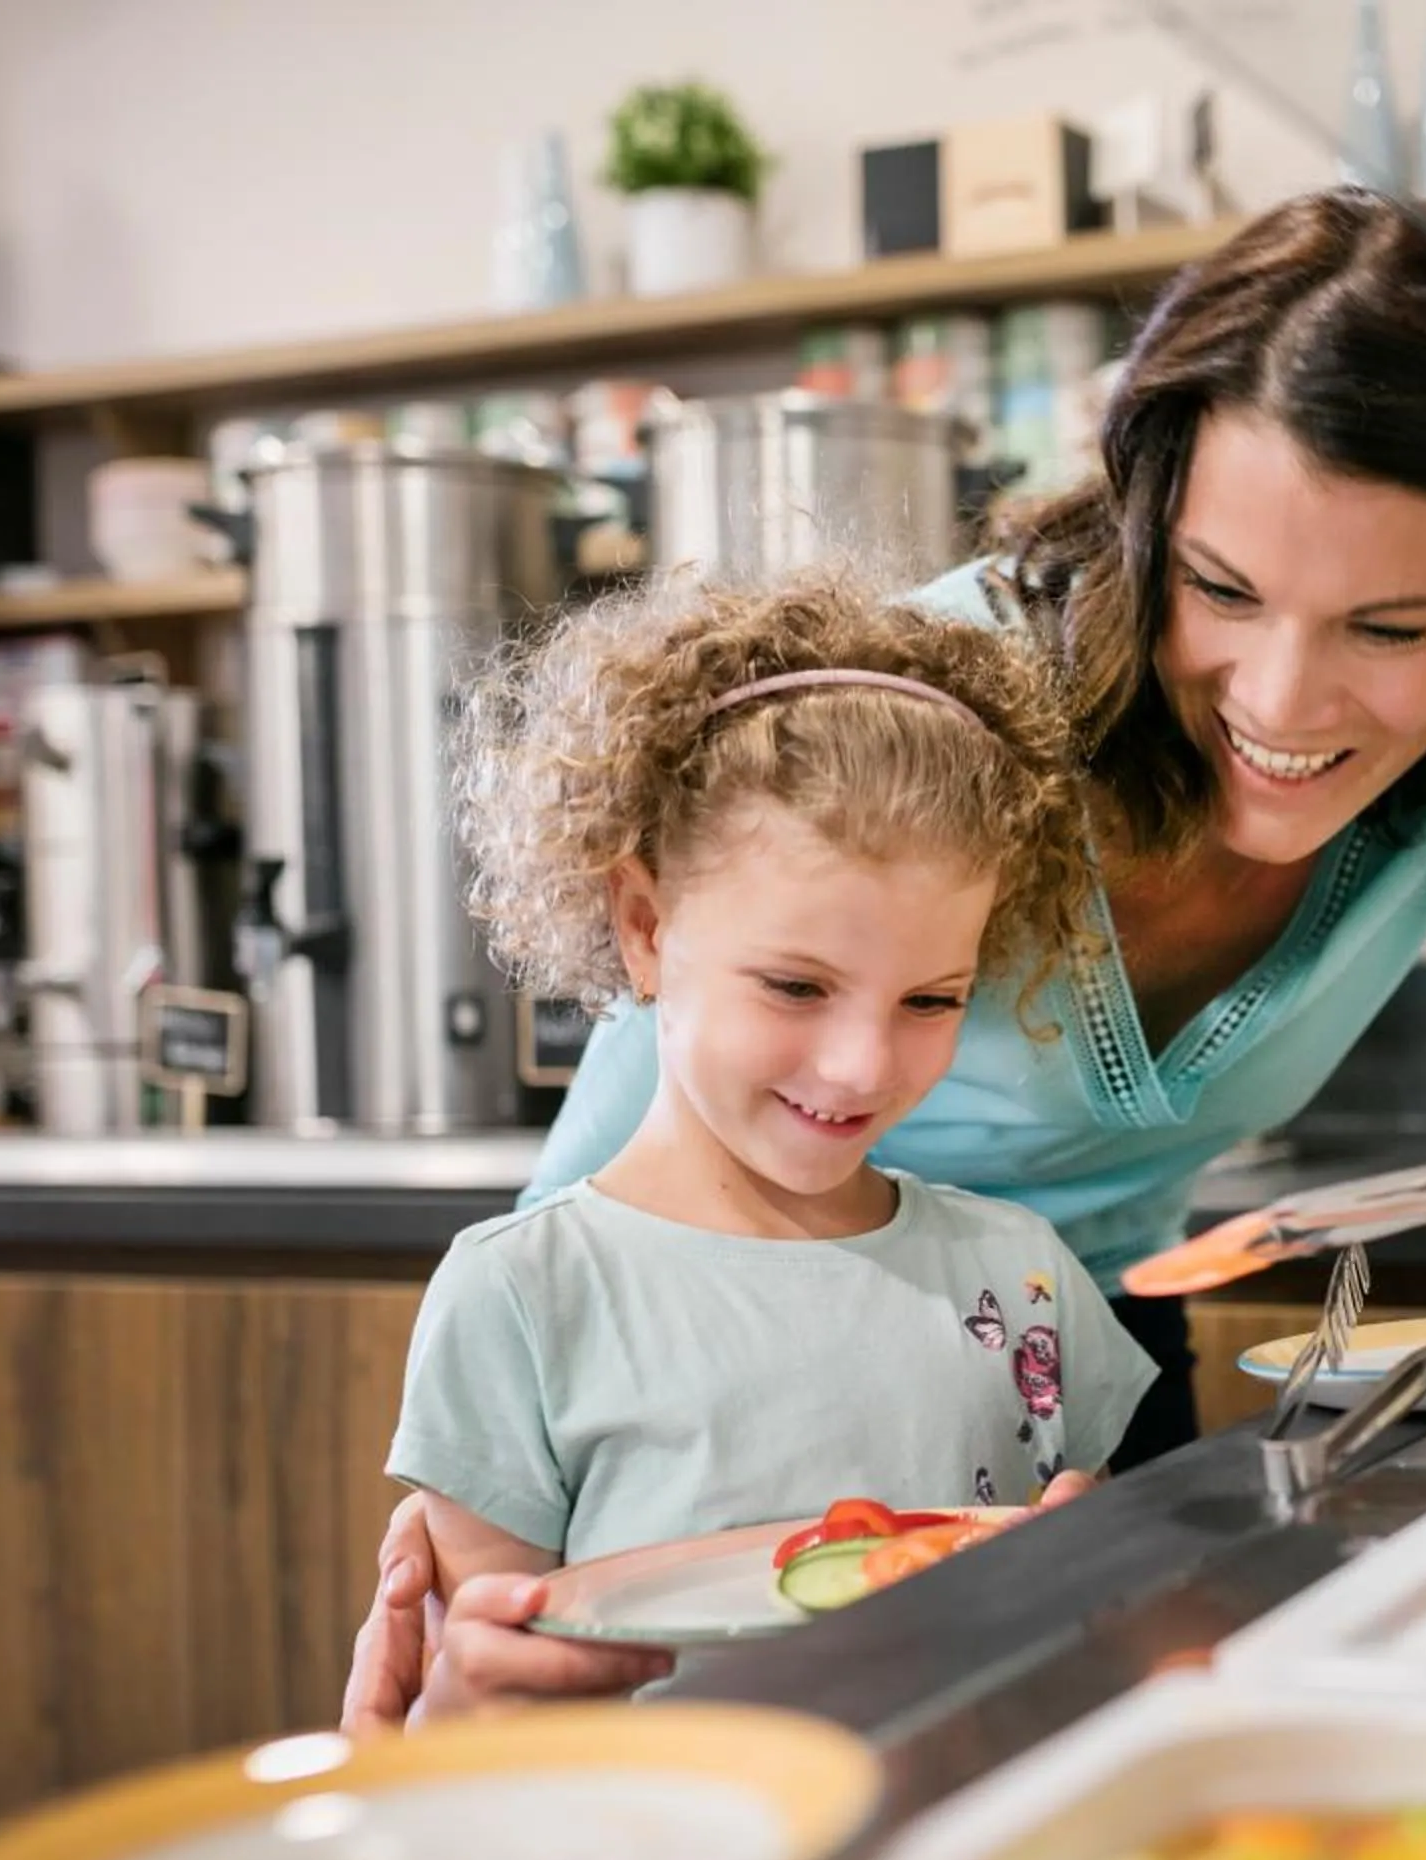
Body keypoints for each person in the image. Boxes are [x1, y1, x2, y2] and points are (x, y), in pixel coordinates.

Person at [344, 187, 1426, 1729]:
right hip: (731, 1434)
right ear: (1146, 514)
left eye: (1391, 629)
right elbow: (599, 1229)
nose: (1286, 706)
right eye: (1220, 591)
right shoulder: (912, 726)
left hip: (1074, 1394)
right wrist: (478, 1583)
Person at [386, 575, 1157, 1714]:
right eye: (797, 984)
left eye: (931, 998)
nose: (860, 1065)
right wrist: (461, 1697)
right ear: (645, 926)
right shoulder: (523, 1297)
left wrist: (1093, 1579)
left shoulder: (1021, 1269)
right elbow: (487, 1718)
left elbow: (1099, 1625)